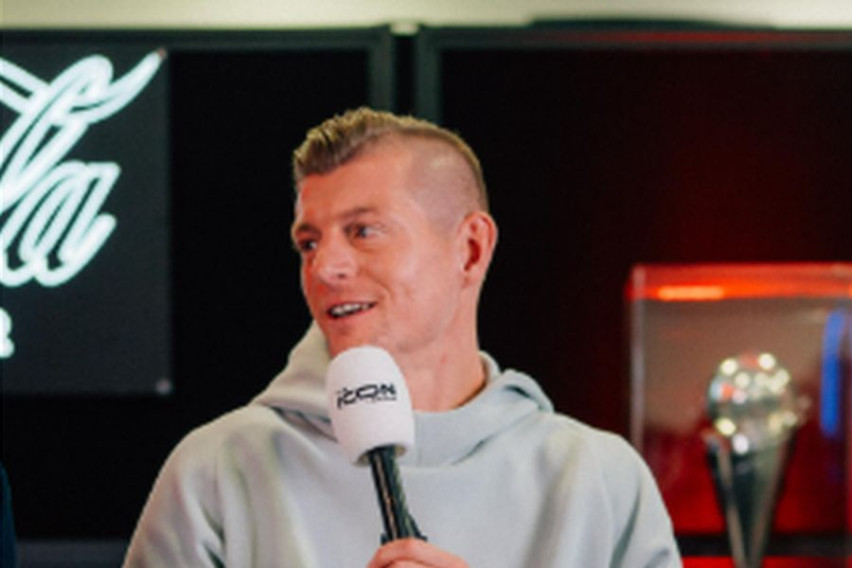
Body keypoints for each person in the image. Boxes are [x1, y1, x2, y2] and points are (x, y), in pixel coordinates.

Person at [124, 107, 681, 567]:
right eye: (309, 243)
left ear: (470, 250)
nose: (325, 268)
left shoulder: (600, 479)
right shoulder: (218, 471)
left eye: (363, 231)